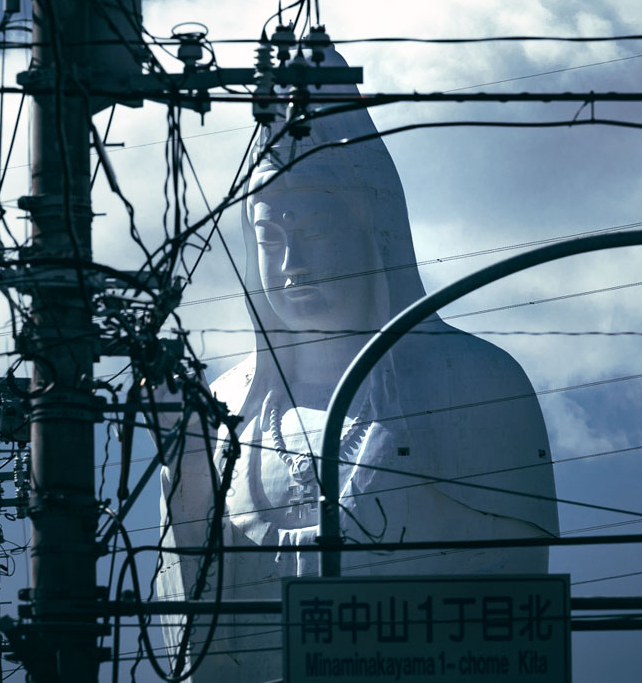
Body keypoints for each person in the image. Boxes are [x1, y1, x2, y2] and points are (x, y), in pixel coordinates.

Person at [155, 53, 558, 681]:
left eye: (317, 232)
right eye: (271, 239)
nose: (294, 263)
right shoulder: (222, 410)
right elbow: (196, 645)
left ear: (377, 232)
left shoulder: (476, 379)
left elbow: (520, 617)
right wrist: (185, 483)